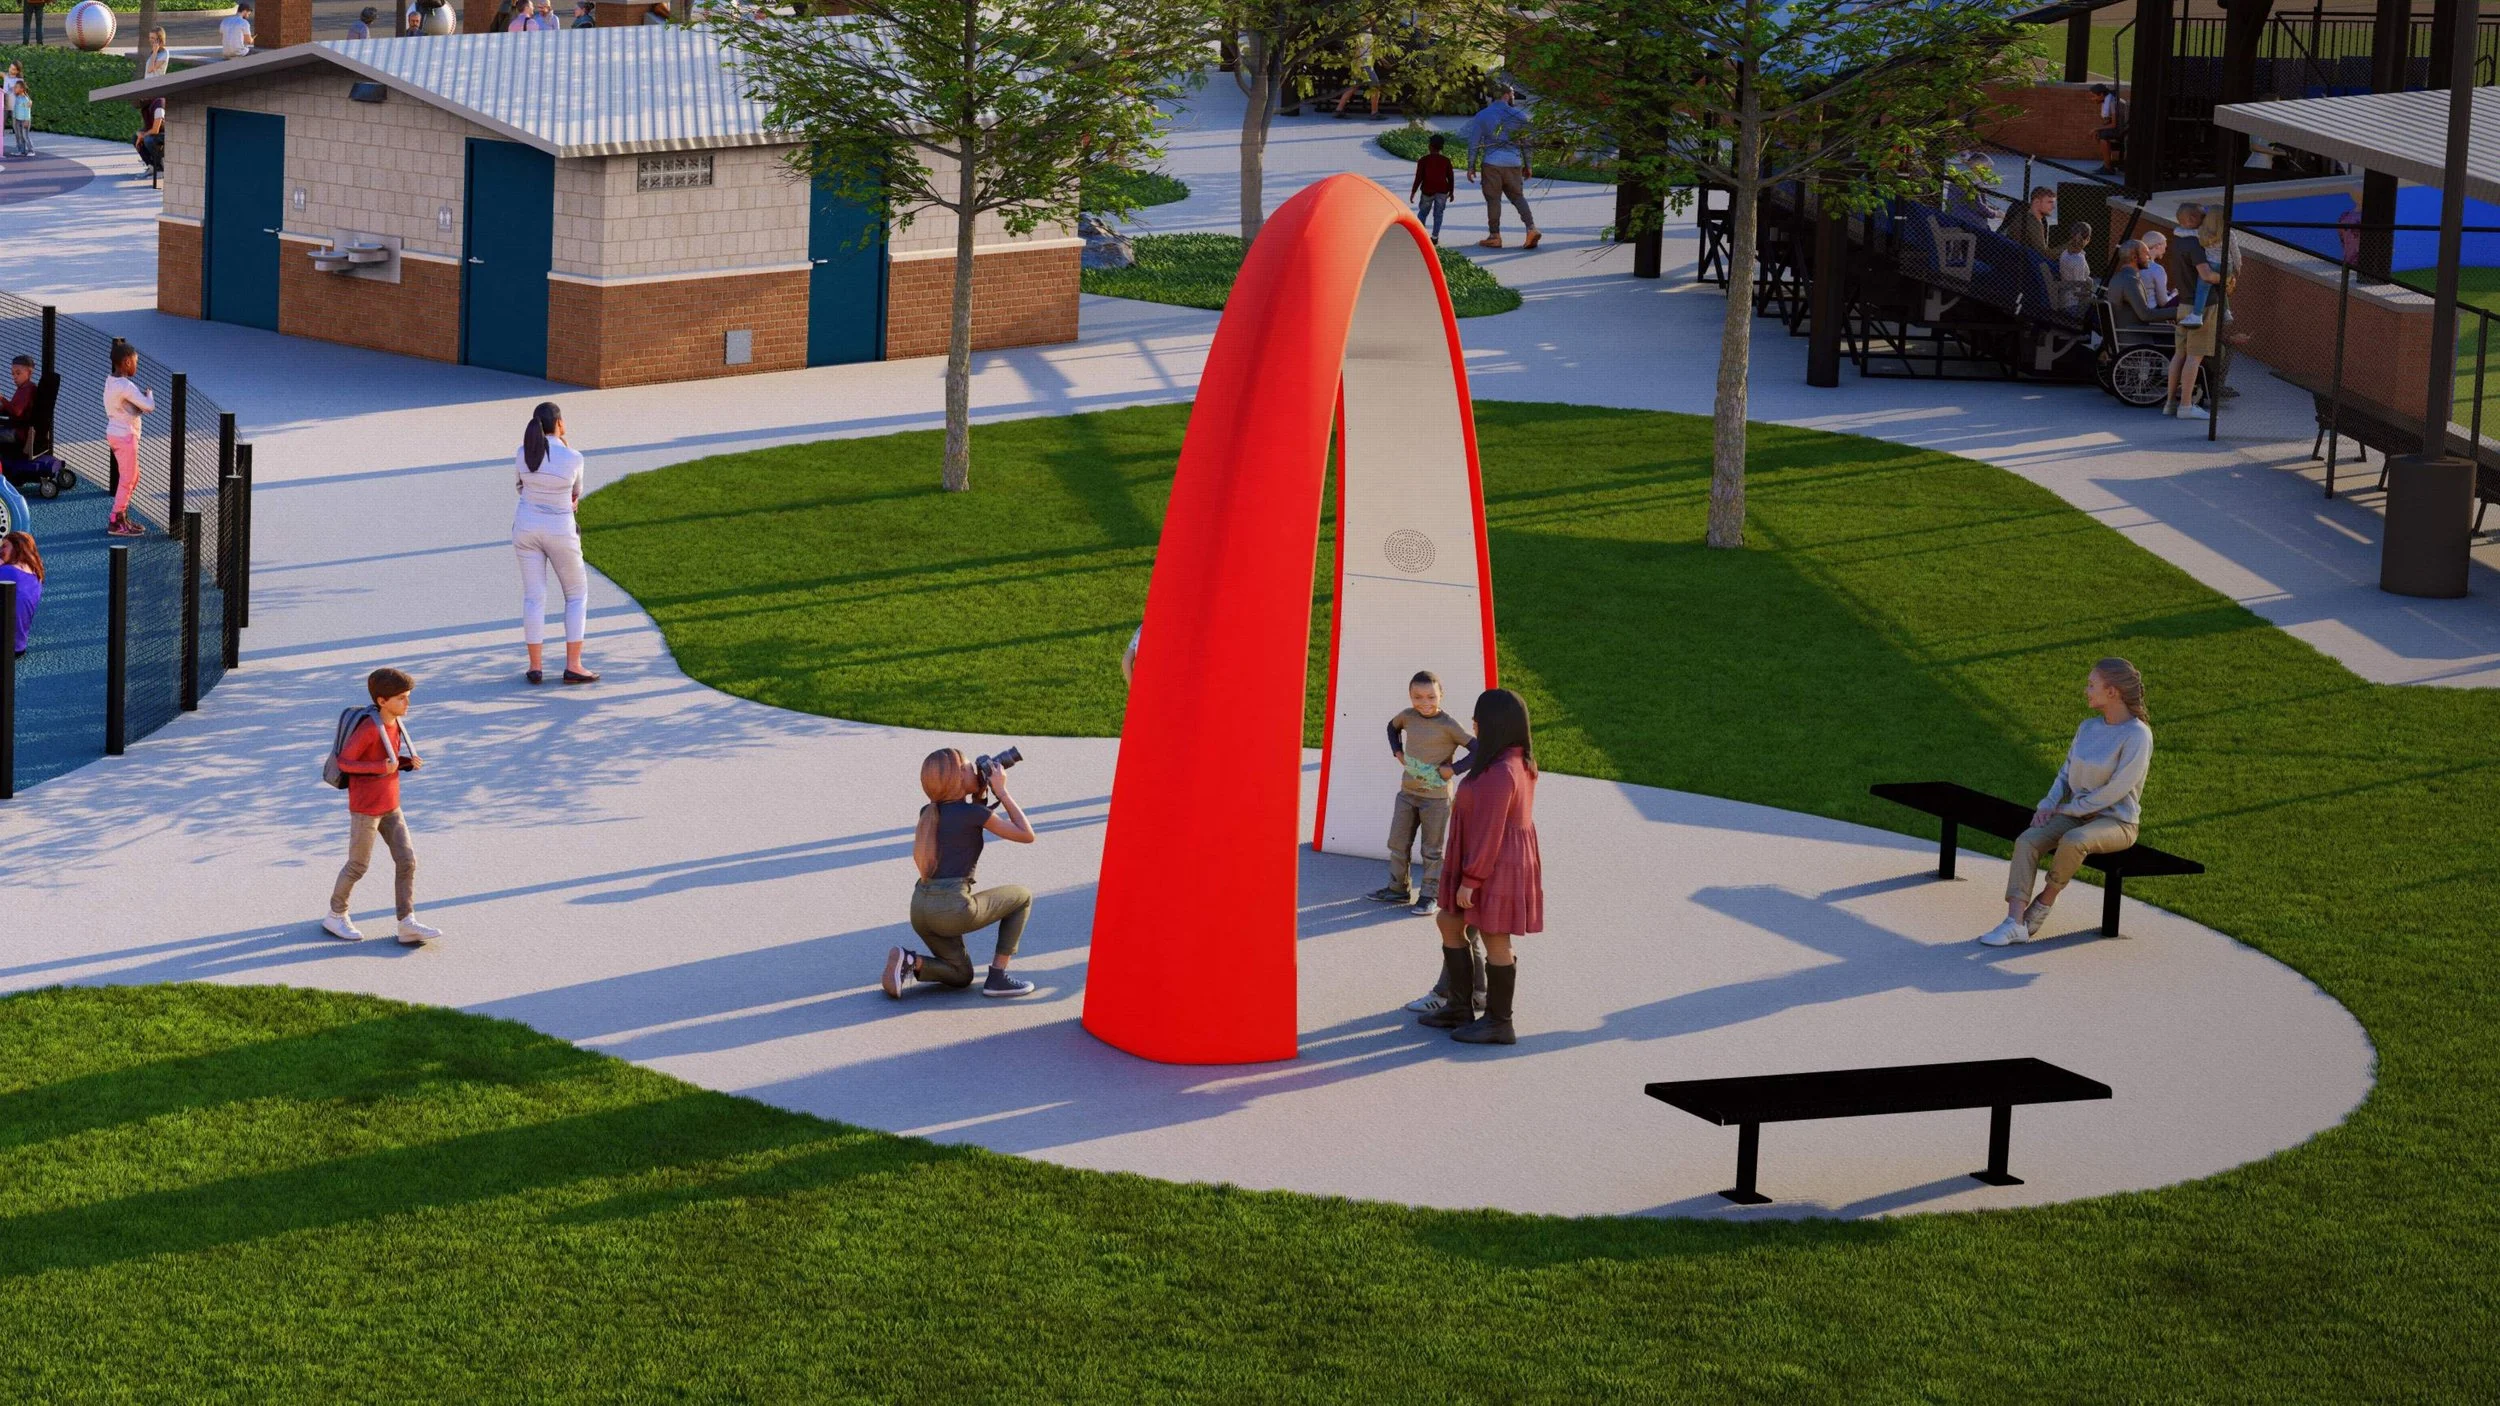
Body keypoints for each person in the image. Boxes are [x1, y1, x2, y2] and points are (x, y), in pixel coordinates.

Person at [1981, 659, 2153, 946]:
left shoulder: (2137, 734)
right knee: (2028, 840)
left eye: (2091, 685)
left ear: (2112, 692)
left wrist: (2070, 809)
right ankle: (2014, 922)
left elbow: (2117, 790)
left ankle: (2044, 903)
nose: (2086, 690)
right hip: (2075, 813)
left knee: (2073, 840)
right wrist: (2048, 804)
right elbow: (2065, 771)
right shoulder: (2087, 727)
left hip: (2116, 822)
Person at [1422, 688, 1542, 1046]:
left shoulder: (1501, 771)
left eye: (1478, 717)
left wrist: (1470, 881)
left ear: (1494, 723)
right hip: (1492, 857)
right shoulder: (1510, 759)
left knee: (1494, 935)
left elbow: (1491, 831)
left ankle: (1499, 1023)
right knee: (1449, 920)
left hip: (1491, 862)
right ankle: (1460, 1007)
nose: (1473, 723)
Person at [883, 747, 1040, 999]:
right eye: (968, 768)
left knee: (961, 974)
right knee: (1022, 897)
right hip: (951, 909)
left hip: (921, 909)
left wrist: (979, 796)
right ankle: (998, 977)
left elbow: (961, 825)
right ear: (956, 780)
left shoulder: (928, 812)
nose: (974, 771)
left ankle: (911, 961)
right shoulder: (974, 814)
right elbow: (1026, 834)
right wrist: (1002, 791)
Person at [323, 667, 442, 946]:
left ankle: (406, 922)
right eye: (401, 698)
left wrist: (404, 762)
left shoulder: (396, 723)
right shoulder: (369, 728)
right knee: (358, 866)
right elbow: (345, 763)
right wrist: (382, 766)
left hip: (391, 805)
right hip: (366, 808)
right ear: (381, 701)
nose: (407, 703)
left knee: (407, 861)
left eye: (408, 697)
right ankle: (335, 914)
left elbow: (388, 760)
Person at [1370, 670, 1475, 918]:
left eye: (1431, 697)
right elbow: (1391, 727)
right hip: (1407, 793)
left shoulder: (1449, 725)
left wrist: (1454, 769)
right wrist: (1398, 752)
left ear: (1441, 696)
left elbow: (1478, 749)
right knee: (1397, 843)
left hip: (1436, 799)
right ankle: (1398, 889)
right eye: (1418, 697)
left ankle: (1429, 895)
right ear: (1410, 696)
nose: (1425, 703)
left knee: (1432, 849)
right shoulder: (1407, 717)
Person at [512, 401, 597, 685]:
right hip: (560, 530)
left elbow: (520, 488)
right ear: (559, 423)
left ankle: (535, 667)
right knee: (576, 594)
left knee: (534, 596)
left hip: (525, 528)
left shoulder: (523, 454)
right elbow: (576, 495)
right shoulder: (574, 458)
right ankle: (574, 665)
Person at [1465, 86, 1538, 250]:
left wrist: (1471, 166)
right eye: (1512, 94)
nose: (1513, 97)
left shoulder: (1483, 115)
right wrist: (1528, 165)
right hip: (1513, 162)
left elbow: (1474, 143)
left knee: (1493, 199)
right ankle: (1531, 229)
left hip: (1492, 163)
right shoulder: (1520, 116)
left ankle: (1494, 236)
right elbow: (1526, 143)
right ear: (1506, 96)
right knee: (1518, 197)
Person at [102, 339, 152, 538]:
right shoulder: (126, 386)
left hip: (116, 433)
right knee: (128, 478)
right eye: (135, 361)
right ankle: (116, 520)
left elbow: (130, 406)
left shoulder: (111, 381)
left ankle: (122, 515)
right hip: (125, 436)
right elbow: (149, 406)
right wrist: (149, 394)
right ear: (127, 362)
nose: (136, 365)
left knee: (133, 476)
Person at [2168, 202, 2218, 328]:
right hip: (2201, 307)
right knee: (2201, 347)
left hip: (2183, 304)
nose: (2205, 219)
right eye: (2202, 216)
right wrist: (2225, 278)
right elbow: (2206, 276)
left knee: (2182, 347)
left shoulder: (2177, 241)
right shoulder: (2195, 244)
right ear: (2192, 219)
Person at [2108, 240, 2177, 331]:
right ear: (2135, 257)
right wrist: (2178, 311)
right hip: (2136, 335)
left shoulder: (2118, 277)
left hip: (2128, 331)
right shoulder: (2131, 281)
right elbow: (2145, 315)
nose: (2149, 258)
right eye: (2146, 254)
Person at [1408, 132, 1454, 243]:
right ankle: (1435, 237)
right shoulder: (1446, 161)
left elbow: (1419, 177)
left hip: (1427, 191)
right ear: (1441, 147)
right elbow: (1451, 177)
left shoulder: (1423, 160)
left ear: (1430, 146)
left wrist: (1413, 191)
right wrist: (1451, 191)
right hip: (1442, 191)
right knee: (1438, 214)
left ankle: (1421, 236)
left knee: (1423, 213)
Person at [0, 531, 41, 657]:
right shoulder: (36, 576)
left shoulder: (7, 572)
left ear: (18, 547)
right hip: (18, 647)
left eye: (4, 546)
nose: (0, 549)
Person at [1328, 32, 1379, 119]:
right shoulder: (1363, 33)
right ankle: (1374, 112)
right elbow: (1357, 49)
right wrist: (1357, 64)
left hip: (1363, 63)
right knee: (1375, 85)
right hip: (1364, 63)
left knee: (1354, 86)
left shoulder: (1368, 32)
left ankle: (1338, 110)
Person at [1998, 186, 2055, 259]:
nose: (2053, 207)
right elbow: (2044, 254)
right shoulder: (2033, 222)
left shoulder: (2022, 214)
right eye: (2049, 202)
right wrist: (2066, 247)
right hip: (2023, 263)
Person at [2055, 221, 2095, 312]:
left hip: (2064, 299)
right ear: (2088, 239)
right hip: (2073, 305)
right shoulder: (2079, 260)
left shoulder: (2064, 253)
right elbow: (2079, 288)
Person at [2091, 83, 2126, 174]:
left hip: (2123, 130)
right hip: (2118, 128)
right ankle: (2108, 163)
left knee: (2102, 136)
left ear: (2101, 94)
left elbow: (2114, 124)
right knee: (2099, 134)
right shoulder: (2107, 101)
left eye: (2094, 96)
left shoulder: (2112, 103)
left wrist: (2096, 128)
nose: (2093, 99)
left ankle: (2107, 167)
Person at [7, 68, 32, 160]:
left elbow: (27, 110)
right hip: (17, 119)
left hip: (25, 120)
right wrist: (14, 117)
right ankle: (21, 151)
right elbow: (16, 109)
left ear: (21, 89)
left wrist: (26, 120)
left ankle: (30, 150)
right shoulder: (17, 97)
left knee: (25, 136)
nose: (14, 88)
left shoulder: (25, 99)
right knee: (19, 136)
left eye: (16, 87)